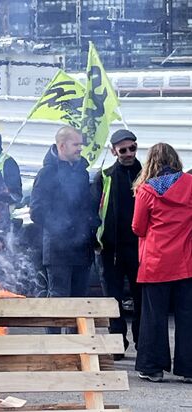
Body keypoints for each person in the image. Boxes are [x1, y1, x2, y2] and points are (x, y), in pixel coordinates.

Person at [132, 143, 192, 383]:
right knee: (187, 316)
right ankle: (189, 369)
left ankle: (152, 367)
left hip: (155, 262)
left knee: (153, 317)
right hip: (186, 262)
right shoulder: (190, 184)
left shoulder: (146, 190)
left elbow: (137, 227)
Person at [30, 126, 98, 300]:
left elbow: (86, 206)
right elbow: (36, 211)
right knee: (58, 301)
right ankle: (54, 329)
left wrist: (92, 225)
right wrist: (61, 226)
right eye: (76, 144)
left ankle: (76, 330)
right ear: (62, 146)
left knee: (79, 301)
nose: (80, 148)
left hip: (82, 249)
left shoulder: (82, 173)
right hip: (58, 251)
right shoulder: (47, 173)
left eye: (80, 144)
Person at [92, 129, 142, 358]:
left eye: (132, 148)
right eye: (123, 150)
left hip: (139, 248)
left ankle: (143, 343)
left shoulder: (145, 173)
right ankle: (117, 344)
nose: (129, 153)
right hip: (110, 250)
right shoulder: (104, 176)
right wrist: (95, 239)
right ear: (114, 151)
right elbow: (93, 210)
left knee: (141, 298)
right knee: (113, 300)